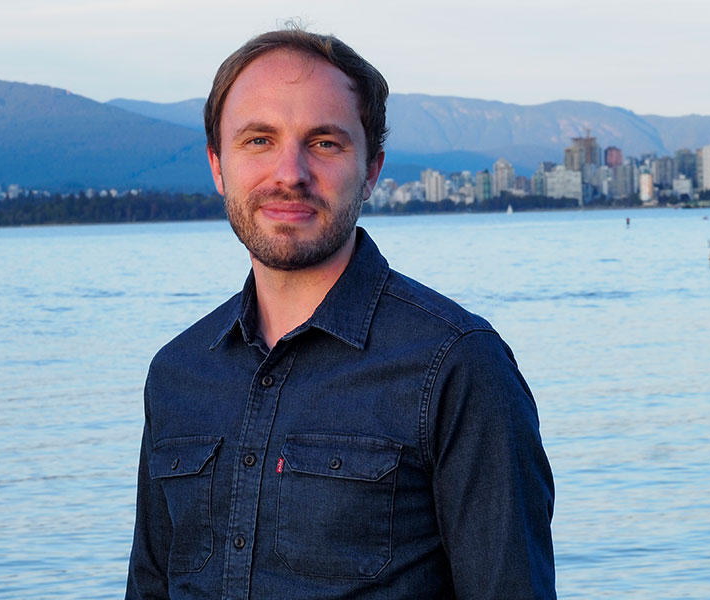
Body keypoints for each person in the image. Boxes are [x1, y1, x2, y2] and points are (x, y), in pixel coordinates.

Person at [125, 27, 555, 600]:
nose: (290, 173)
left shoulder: (458, 366)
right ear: (217, 166)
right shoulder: (178, 373)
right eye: (258, 140)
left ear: (372, 169)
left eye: (325, 142)